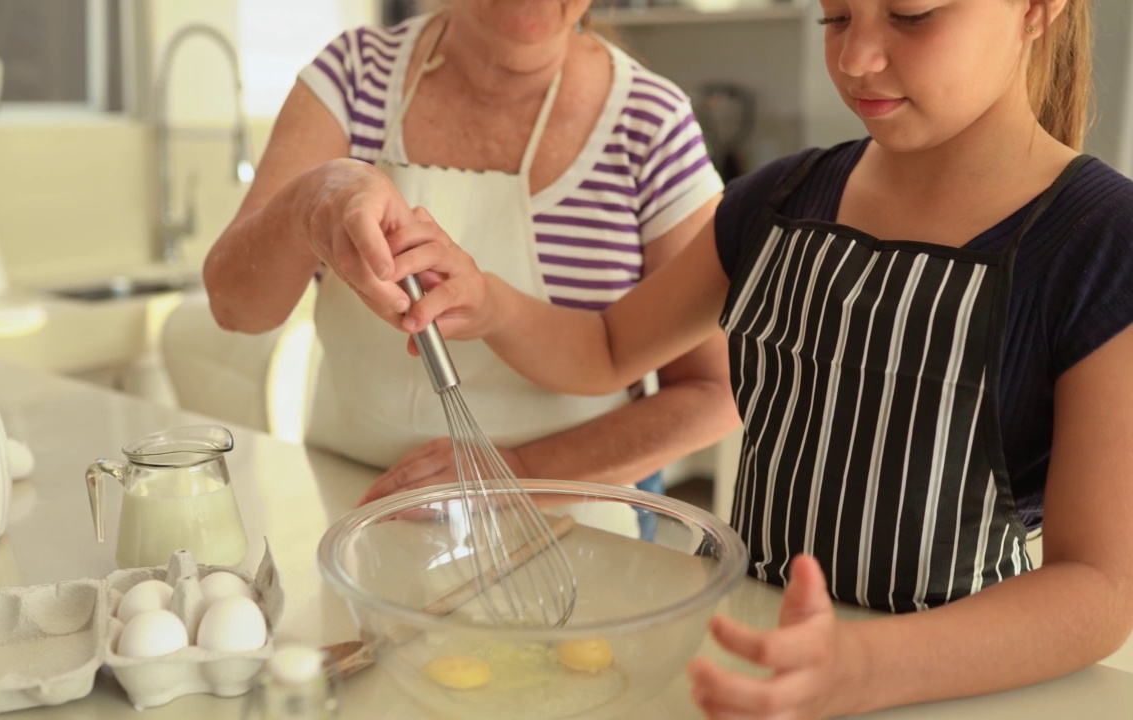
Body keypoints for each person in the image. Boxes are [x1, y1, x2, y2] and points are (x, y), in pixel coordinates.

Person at [320, 0, 1133, 716]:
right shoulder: (779, 202)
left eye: (912, 16)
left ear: (1038, 8)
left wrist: (860, 667)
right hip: (752, 658)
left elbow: (1099, 589)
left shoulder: (1097, 242)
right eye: (836, 17)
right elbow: (608, 348)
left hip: (948, 685)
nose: (856, 57)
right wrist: (487, 299)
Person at [203, 1, 740, 511]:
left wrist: (517, 471)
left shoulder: (650, 123)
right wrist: (310, 200)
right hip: (353, 506)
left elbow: (716, 389)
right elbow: (235, 309)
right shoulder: (353, 77)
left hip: (573, 523)